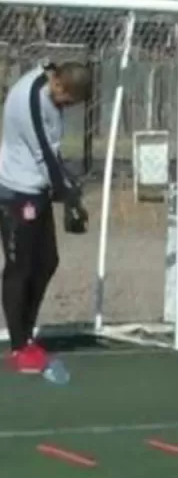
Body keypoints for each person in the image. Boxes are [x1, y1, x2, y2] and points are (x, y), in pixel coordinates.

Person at [0, 61, 91, 374]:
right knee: (19, 268)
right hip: (15, 191)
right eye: (69, 101)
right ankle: (18, 346)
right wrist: (68, 198)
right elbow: (42, 151)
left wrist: (68, 187)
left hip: (36, 188)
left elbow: (52, 151)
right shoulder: (30, 100)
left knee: (47, 261)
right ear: (59, 87)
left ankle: (26, 336)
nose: (68, 107)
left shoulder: (52, 83)